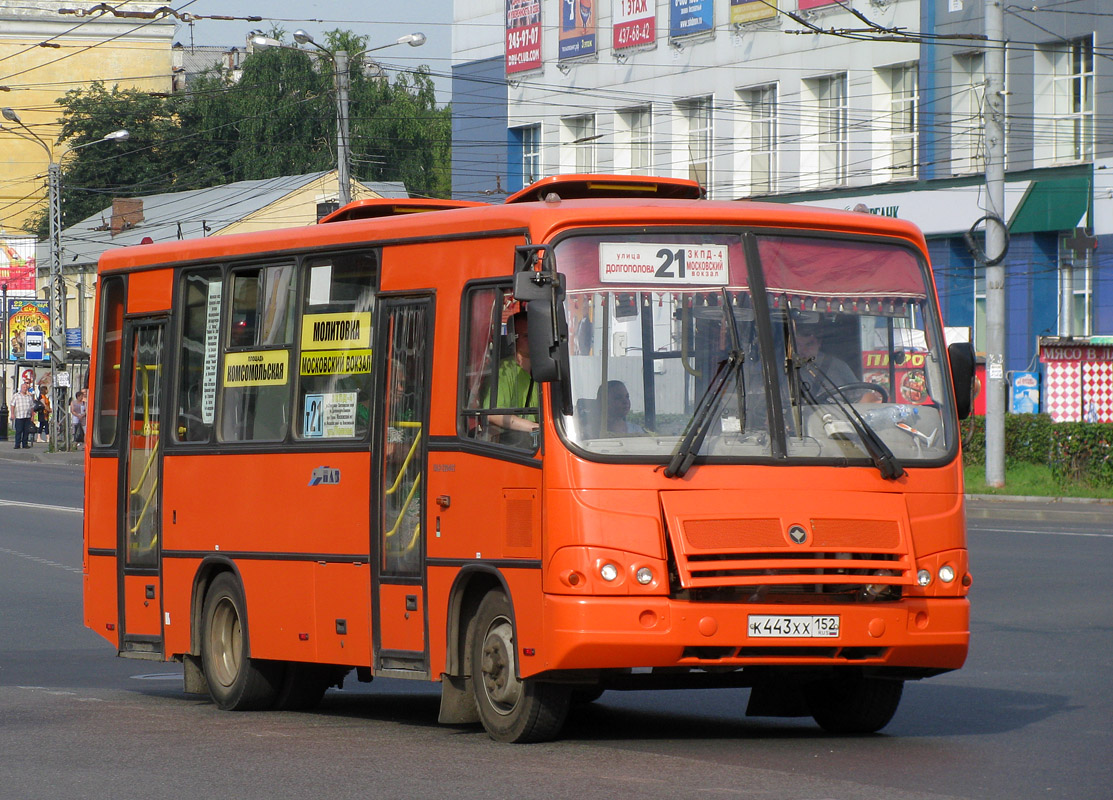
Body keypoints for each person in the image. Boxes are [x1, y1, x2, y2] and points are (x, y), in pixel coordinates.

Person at [484, 311, 539, 444]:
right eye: (527, 336)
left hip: (536, 441)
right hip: (513, 446)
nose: (533, 340)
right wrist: (536, 428)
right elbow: (493, 414)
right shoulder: (503, 371)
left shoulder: (543, 369)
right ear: (513, 339)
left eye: (535, 335)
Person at [9, 380, 36, 449]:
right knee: (19, 431)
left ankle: (25, 444)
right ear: (21, 388)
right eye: (23, 387)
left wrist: (32, 416)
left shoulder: (29, 397)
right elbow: (12, 405)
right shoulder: (16, 396)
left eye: (26, 388)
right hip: (19, 416)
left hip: (27, 416)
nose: (25, 389)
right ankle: (17, 444)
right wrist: (12, 414)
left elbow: (32, 407)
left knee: (26, 431)